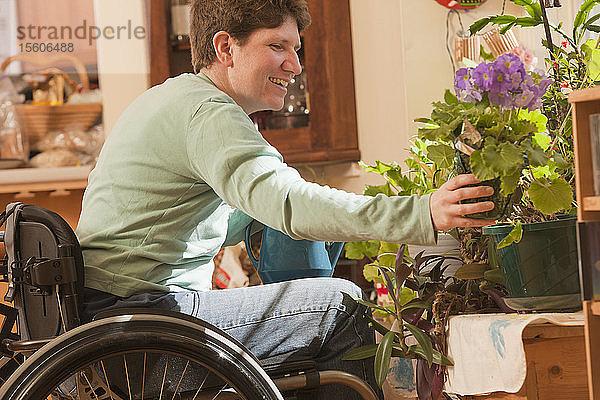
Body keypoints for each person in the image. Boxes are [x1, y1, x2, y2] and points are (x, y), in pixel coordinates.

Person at [75, 0, 495, 398]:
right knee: (339, 305)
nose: (294, 65)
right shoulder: (209, 112)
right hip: (142, 332)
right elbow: (288, 203)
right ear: (226, 48)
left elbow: (188, 221)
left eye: (295, 48)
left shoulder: (172, 98)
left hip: (113, 326)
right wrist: (422, 211)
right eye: (277, 46)